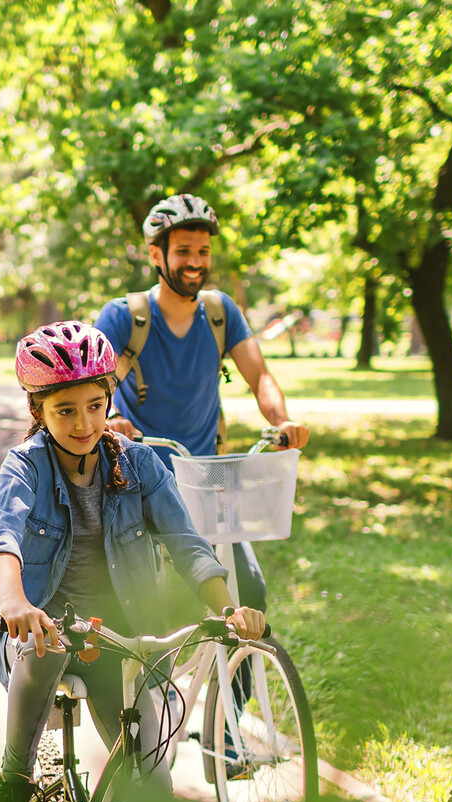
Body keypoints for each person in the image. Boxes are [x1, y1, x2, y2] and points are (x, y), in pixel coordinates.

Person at [0, 321, 266, 802]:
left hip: (116, 634)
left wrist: (227, 609)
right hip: (43, 625)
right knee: (45, 643)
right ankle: (14, 777)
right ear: (38, 412)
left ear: (110, 401)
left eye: (94, 406)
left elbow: (187, 544)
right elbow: (3, 539)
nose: (84, 423)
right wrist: (14, 602)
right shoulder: (26, 467)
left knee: (153, 789)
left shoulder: (139, 464)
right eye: (65, 410)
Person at [93, 193, 307, 613]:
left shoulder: (220, 312)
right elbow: (98, 386)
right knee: (146, 604)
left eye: (203, 251)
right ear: (157, 254)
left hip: (207, 480)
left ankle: (241, 680)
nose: (196, 262)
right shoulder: (124, 317)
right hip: (141, 480)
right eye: (184, 251)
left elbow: (259, 375)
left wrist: (284, 422)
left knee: (249, 592)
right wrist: (113, 417)